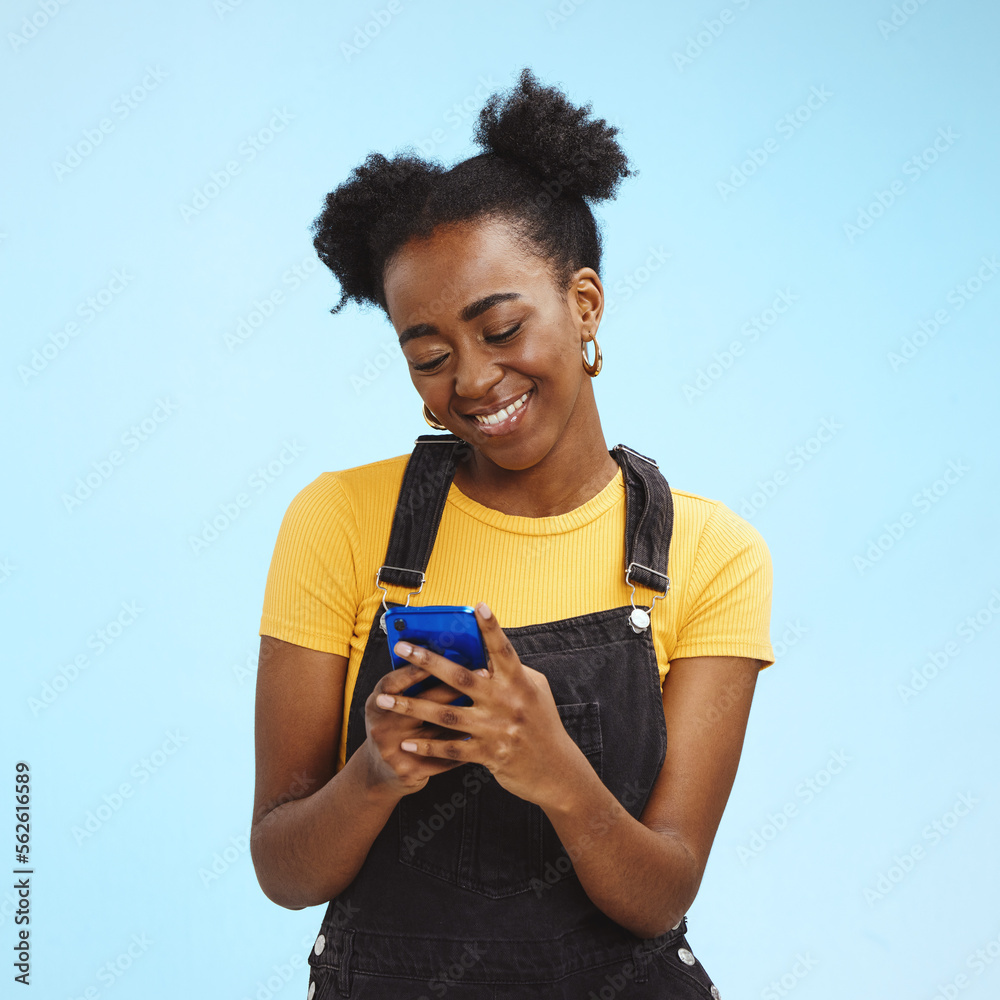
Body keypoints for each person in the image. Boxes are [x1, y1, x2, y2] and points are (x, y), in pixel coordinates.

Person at [251, 67, 775, 1000]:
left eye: (500, 328)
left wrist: (552, 768)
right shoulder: (339, 522)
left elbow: (661, 895)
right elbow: (284, 870)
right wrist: (375, 772)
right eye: (430, 355)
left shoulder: (710, 554)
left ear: (583, 305)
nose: (476, 380)